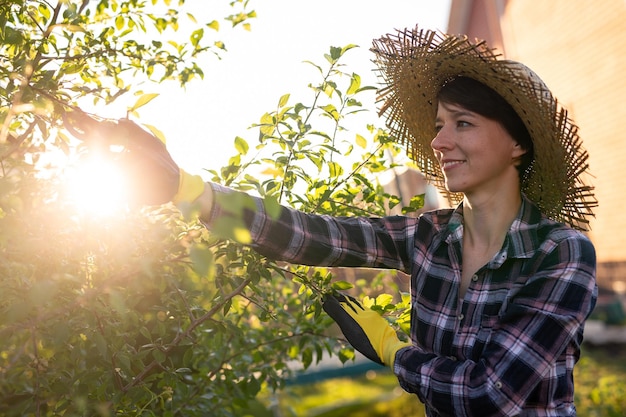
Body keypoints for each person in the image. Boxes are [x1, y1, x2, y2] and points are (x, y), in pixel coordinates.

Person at [69, 25, 598, 417]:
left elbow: (488, 396)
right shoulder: (429, 236)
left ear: (518, 144)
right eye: (438, 125)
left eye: (463, 123)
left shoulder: (561, 254)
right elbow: (311, 235)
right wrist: (191, 191)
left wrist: (394, 351)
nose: (439, 142)